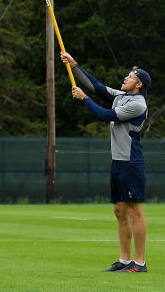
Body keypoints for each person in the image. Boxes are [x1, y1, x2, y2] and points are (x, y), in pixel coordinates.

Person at [60, 52, 151, 274]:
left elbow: (105, 115)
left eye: (130, 77)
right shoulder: (121, 95)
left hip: (131, 162)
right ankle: (124, 259)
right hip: (118, 162)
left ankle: (139, 263)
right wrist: (75, 66)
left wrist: (84, 99)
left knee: (135, 211)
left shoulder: (138, 104)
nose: (126, 78)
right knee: (119, 211)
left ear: (138, 85)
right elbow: (98, 87)